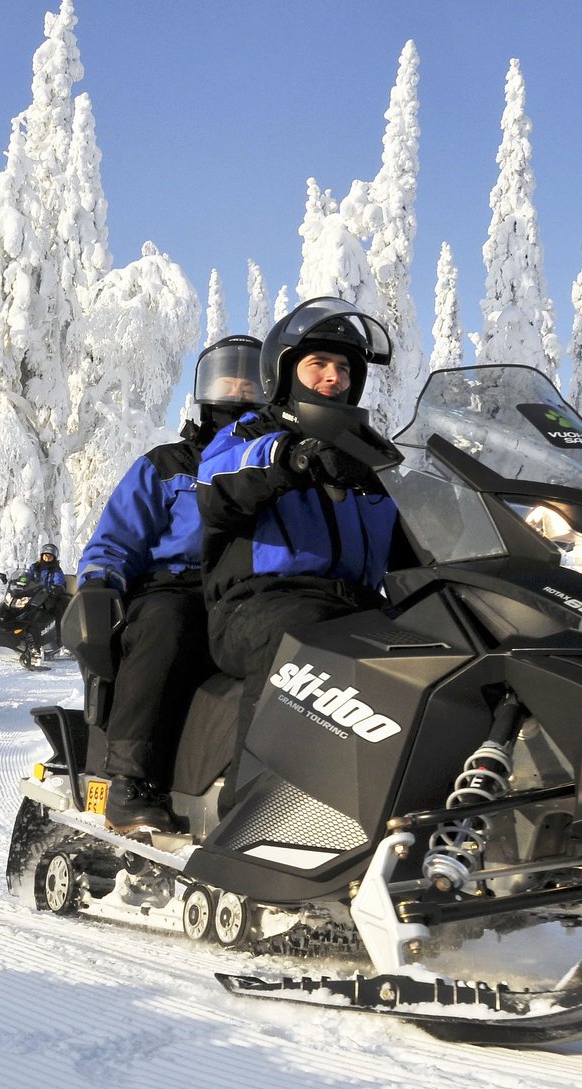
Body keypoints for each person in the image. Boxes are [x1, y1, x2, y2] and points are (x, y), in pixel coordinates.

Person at [196, 299, 401, 800]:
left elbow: (421, 527)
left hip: (354, 603)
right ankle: (251, 809)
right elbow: (219, 482)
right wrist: (295, 456)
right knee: (302, 639)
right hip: (259, 604)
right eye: (319, 364)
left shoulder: (371, 455)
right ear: (285, 371)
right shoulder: (250, 434)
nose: (334, 377)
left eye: (345, 368)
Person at [75, 334, 264, 832]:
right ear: (206, 388)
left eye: (251, 378)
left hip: (248, 596)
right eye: (229, 377)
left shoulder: (274, 471)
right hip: (175, 588)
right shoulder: (168, 466)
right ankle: (130, 779)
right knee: (169, 625)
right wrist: (99, 582)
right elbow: (115, 537)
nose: (240, 387)